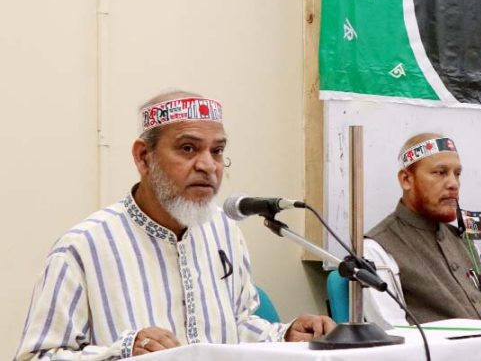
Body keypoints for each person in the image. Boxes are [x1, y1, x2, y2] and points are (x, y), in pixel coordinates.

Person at [16, 91, 334, 360]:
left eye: (217, 151)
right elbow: (37, 355)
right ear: (143, 157)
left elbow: (237, 327)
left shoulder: (224, 231)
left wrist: (285, 334)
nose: (208, 165)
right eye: (188, 148)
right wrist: (122, 350)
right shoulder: (84, 247)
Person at [363, 133, 481, 327]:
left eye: (457, 174)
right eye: (440, 172)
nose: (453, 183)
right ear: (406, 179)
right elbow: (394, 335)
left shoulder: (465, 242)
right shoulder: (376, 248)